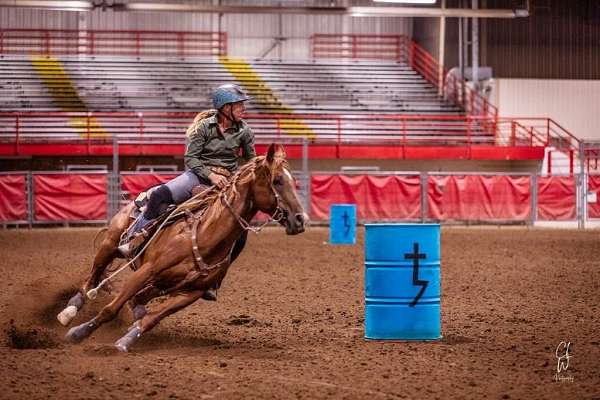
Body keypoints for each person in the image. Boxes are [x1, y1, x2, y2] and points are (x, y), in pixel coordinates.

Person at [118, 83, 256, 301]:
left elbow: (251, 162)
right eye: (239, 105)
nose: (243, 109)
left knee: (240, 233)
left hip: (227, 182)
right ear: (225, 107)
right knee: (159, 195)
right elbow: (191, 158)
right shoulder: (204, 127)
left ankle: (215, 279)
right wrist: (211, 176)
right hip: (198, 176)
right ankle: (135, 239)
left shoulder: (245, 131)